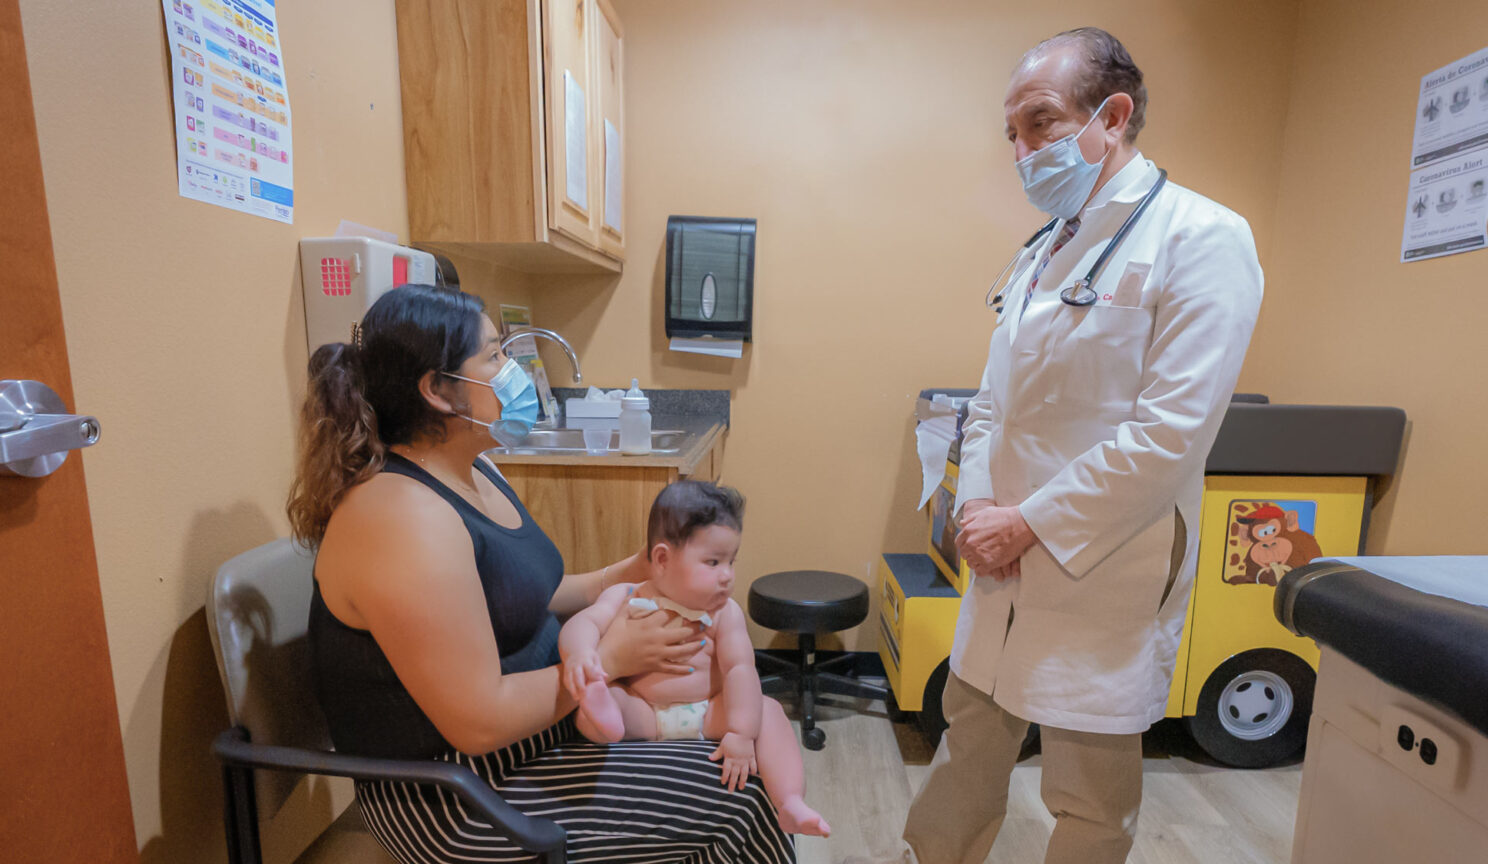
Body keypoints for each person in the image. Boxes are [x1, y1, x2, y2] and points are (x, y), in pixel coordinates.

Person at [852, 27, 1263, 864]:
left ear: (1113, 117)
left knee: (1087, 792)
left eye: (1039, 122)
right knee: (968, 744)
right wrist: (973, 512)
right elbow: (992, 403)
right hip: (999, 552)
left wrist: (1028, 521)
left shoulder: (1203, 239)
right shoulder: (1044, 250)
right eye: (1013, 133)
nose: (1023, 149)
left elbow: (1171, 434)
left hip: (1102, 560)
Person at [289, 284, 795, 864]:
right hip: (455, 796)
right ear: (437, 390)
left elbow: (541, 594)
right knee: (740, 801)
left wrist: (643, 570)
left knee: (747, 749)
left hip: (540, 737)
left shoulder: (473, 469)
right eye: (495, 356)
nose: (514, 371)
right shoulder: (400, 518)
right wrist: (609, 661)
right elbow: (478, 722)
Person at [560, 481, 831, 837]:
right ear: (661, 560)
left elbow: (740, 669)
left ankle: (790, 801)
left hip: (707, 713)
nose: (727, 575)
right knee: (599, 702)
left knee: (769, 710)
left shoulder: (724, 614)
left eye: (731, 561)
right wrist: (580, 653)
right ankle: (605, 722)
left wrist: (740, 732)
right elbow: (584, 622)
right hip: (643, 712)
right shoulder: (625, 595)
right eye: (713, 562)